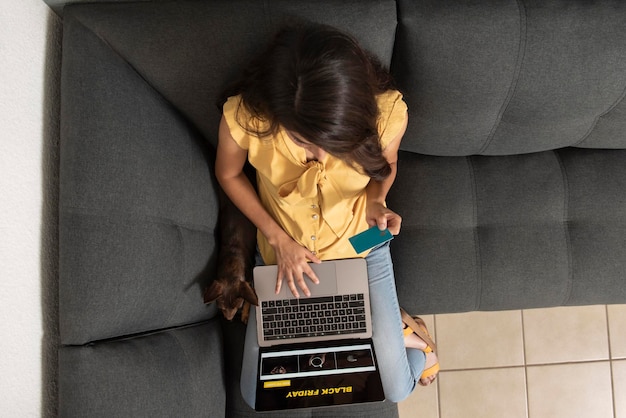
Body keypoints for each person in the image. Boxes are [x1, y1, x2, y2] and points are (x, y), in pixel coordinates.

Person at [215, 22, 439, 405]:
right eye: (302, 140)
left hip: (361, 243)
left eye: (332, 142)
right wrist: (278, 239)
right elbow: (229, 172)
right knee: (259, 396)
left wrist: (376, 201)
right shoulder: (247, 117)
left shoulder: (385, 112)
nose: (318, 155)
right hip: (285, 257)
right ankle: (391, 327)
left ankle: (411, 335)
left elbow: (387, 166)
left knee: (397, 389)